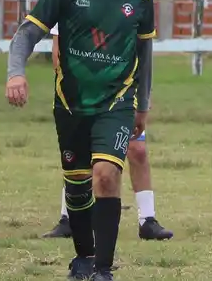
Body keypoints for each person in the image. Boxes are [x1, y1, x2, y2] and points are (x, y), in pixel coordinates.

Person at [6, 0, 156, 281]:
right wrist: (15, 73)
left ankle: (103, 271)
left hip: (117, 103)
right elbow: (28, 33)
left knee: (105, 175)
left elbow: (145, 52)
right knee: (77, 185)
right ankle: (84, 257)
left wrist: (143, 104)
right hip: (71, 106)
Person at [41, 23, 172, 241]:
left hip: (121, 94)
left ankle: (147, 220)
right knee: (82, 154)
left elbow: (141, 51)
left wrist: (143, 95)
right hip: (86, 95)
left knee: (137, 149)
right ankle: (69, 219)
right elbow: (58, 51)